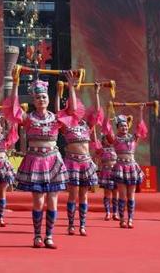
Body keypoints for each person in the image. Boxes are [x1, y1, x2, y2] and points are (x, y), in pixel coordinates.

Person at [3, 71, 81, 249]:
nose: (41, 100)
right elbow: (13, 109)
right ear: (34, 100)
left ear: (48, 98)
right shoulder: (28, 118)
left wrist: (71, 87)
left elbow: (72, 111)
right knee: (38, 201)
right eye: (38, 97)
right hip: (35, 161)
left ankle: (49, 236)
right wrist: (15, 83)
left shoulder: (56, 118)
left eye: (44, 96)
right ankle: (37, 236)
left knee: (53, 200)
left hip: (53, 160)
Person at [61, 83, 101, 237]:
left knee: (84, 195)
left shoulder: (86, 125)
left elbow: (97, 113)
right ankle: (71, 224)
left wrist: (96, 93)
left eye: (76, 107)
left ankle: (82, 224)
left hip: (85, 162)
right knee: (72, 195)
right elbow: (61, 113)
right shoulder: (65, 125)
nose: (75, 110)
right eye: (72, 107)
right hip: (72, 162)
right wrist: (61, 93)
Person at [103, 107, 148, 229]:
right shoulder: (115, 139)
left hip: (132, 167)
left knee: (131, 195)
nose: (124, 128)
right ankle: (122, 219)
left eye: (126, 126)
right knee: (122, 195)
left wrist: (140, 111)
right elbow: (106, 127)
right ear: (117, 127)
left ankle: (130, 219)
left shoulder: (133, 138)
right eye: (122, 126)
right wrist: (108, 111)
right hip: (120, 168)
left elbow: (140, 126)